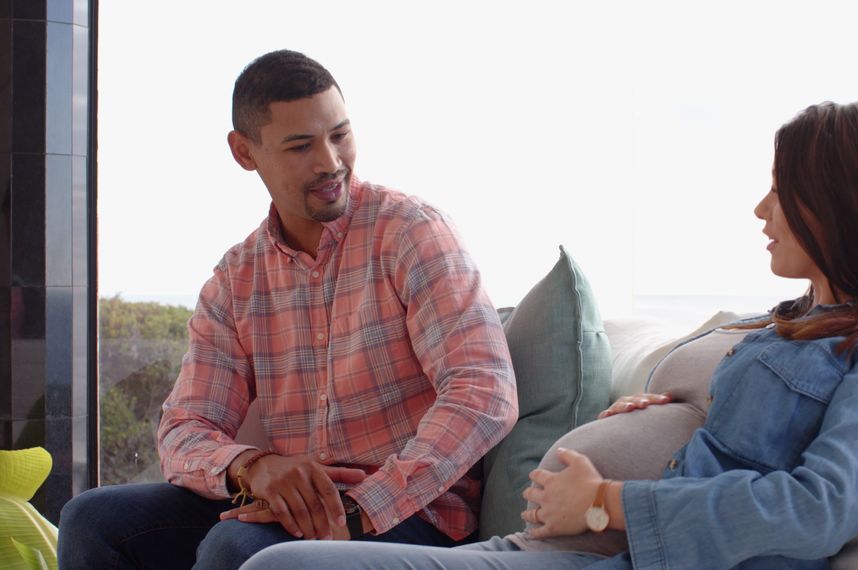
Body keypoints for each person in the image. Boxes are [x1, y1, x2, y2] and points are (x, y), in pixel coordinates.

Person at [238, 100, 858, 570]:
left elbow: (820, 507)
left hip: (643, 552)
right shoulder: (791, 317)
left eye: (781, 189)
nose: (762, 210)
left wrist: (606, 500)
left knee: (282, 568)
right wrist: (671, 406)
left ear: (845, 202)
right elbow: (738, 419)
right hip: (582, 547)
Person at [56, 50, 518, 570]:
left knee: (235, 546)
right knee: (92, 518)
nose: (330, 161)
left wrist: (358, 510)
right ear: (244, 152)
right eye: (301, 146)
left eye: (340, 134)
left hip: (411, 514)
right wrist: (252, 467)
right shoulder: (237, 278)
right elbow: (185, 426)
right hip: (288, 511)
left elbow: (484, 390)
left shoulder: (412, 232)